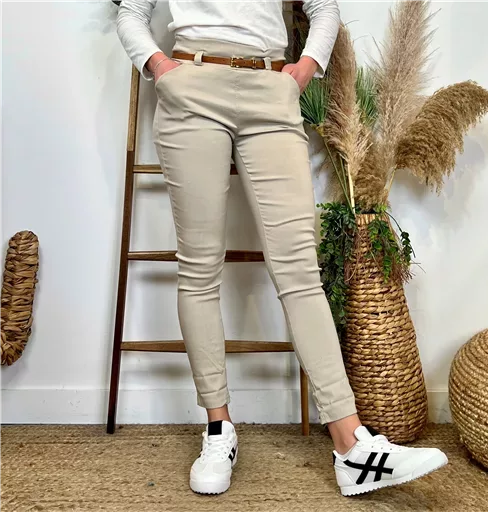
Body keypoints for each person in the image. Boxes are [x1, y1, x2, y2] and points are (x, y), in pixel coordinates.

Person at [116, 0, 448, 497]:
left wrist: (305, 67)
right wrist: (160, 66)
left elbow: (324, 7)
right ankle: (218, 429)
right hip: (191, 84)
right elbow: (130, 12)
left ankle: (351, 444)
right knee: (199, 268)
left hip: (271, 89)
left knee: (300, 271)